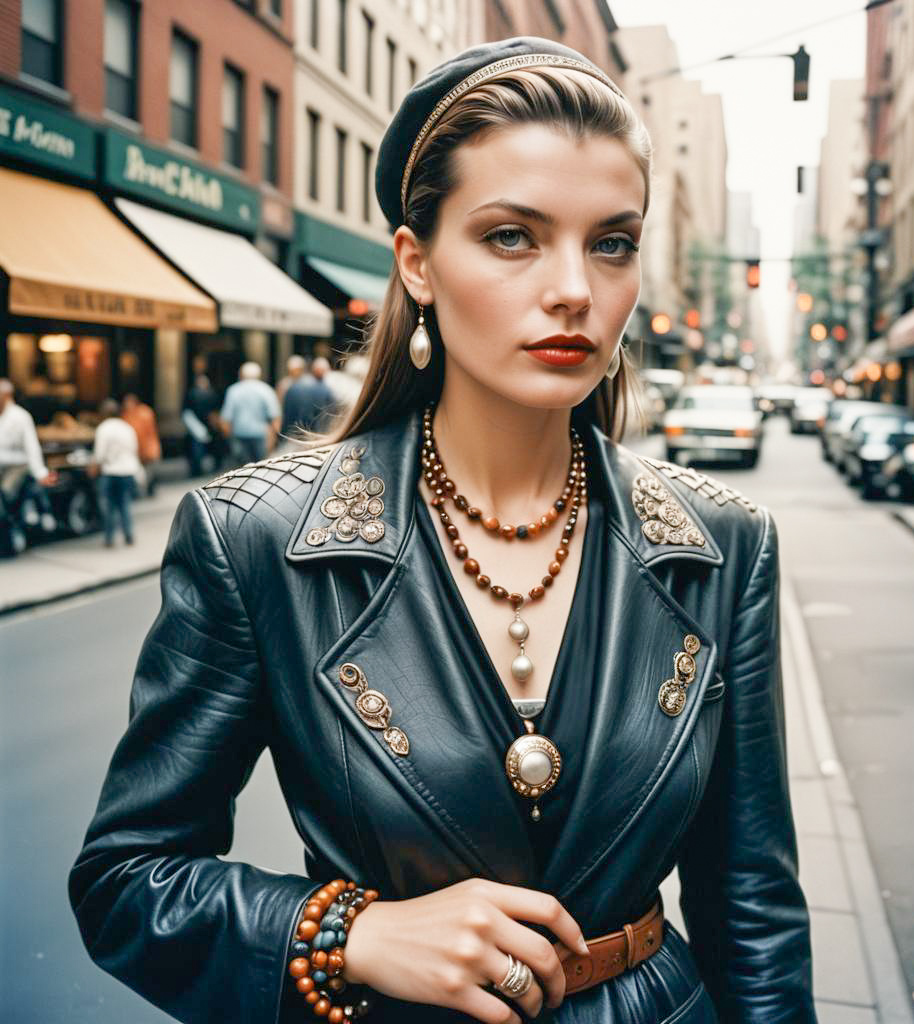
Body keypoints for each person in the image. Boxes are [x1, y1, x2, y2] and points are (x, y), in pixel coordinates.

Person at [70, 38, 816, 1024]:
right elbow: (128, 881)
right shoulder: (256, 539)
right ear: (417, 264)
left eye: (611, 242)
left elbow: (751, 906)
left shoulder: (723, 544)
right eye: (512, 236)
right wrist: (350, 932)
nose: (574, 290)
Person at [0, 378, 59, 544]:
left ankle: (15, 527)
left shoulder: (20, 417)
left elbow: (32, 448)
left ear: (6, 395)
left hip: (17, 465)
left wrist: (40, 472)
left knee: (6, 492)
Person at [89, 398, 142, 547]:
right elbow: (134, 449)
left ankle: (109, 538)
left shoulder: (104, 428)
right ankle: (128, 534)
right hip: (128, 470)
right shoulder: (127, 427)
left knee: (108, 506)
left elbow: (99, 454)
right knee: (125, 504)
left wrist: (94, 467)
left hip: (110, 471)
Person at [219, 361, 282, 464]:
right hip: (261, 435)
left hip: (239, 434)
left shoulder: (233, 390)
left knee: (242, 470)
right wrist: (274, 439)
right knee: (261, 468)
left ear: (241, 374)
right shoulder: (266, 390)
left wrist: (228, 438)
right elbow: (275, 416)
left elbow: (226, 419)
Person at [282, 357, 338, 443]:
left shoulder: (294, 387)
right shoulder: (325, 388)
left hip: (298, 434)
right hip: (317, 434)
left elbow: (287, 414)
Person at [182, 374, 224, 478]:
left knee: (196, 450)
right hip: (210, 424)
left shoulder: (191, 394)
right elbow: (216, 410)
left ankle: (196, 469)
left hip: (195, 426)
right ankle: (216, 466)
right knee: (215, 448)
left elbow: (186, 411)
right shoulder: (212, 394)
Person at [121, 393, 162, 497]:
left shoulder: (144, 412)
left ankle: (150, 490)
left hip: (148, 447)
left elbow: (148, 432)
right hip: (137, 449)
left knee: (150, 472)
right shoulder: (126, 415)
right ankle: (141, 491)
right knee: (141, 473)